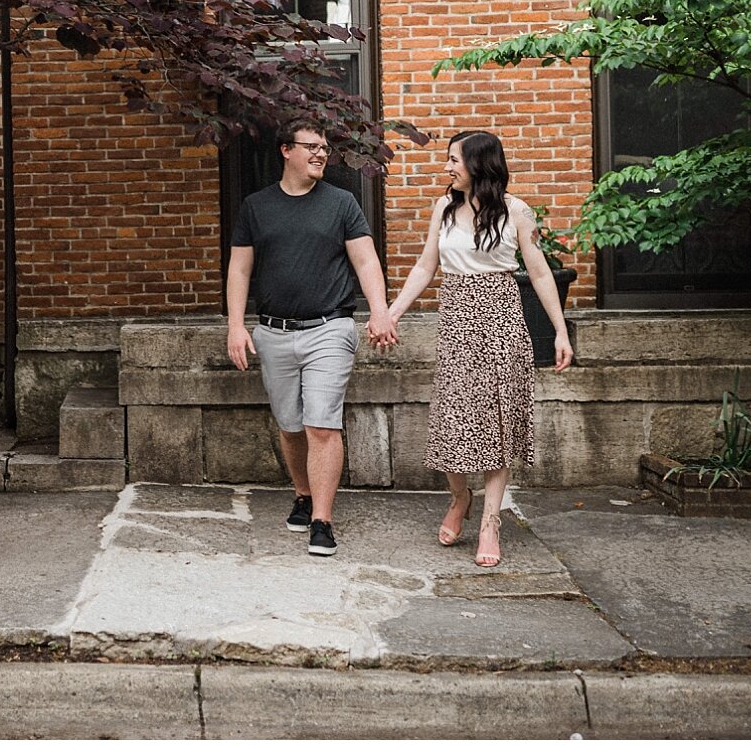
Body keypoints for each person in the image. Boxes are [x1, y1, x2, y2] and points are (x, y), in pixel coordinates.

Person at [385, 130, 572, 568]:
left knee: (496, 424)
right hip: (456, 324)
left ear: (478, 165)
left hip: (502, 324)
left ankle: (490, 521)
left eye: (455, 160)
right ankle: (459, 497)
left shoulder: (516, 212)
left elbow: (541, 275)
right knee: (453, 420)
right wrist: (392, 313)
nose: (448, 167)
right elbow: (426, 265)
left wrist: (560, 332)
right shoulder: (444, 208)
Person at [226, 118, 397, 557]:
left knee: (321, 424)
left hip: (330, 329)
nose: (321, 154)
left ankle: (322, 520)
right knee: (290, 425)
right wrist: (235, 326)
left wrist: (379, 311)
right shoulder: (256, 207)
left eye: (325, 148)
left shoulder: (341, 203)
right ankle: (303, 494)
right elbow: (240, 268)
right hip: (273, 332)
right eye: (312, 146)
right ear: (287, 150)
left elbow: (365, 262)